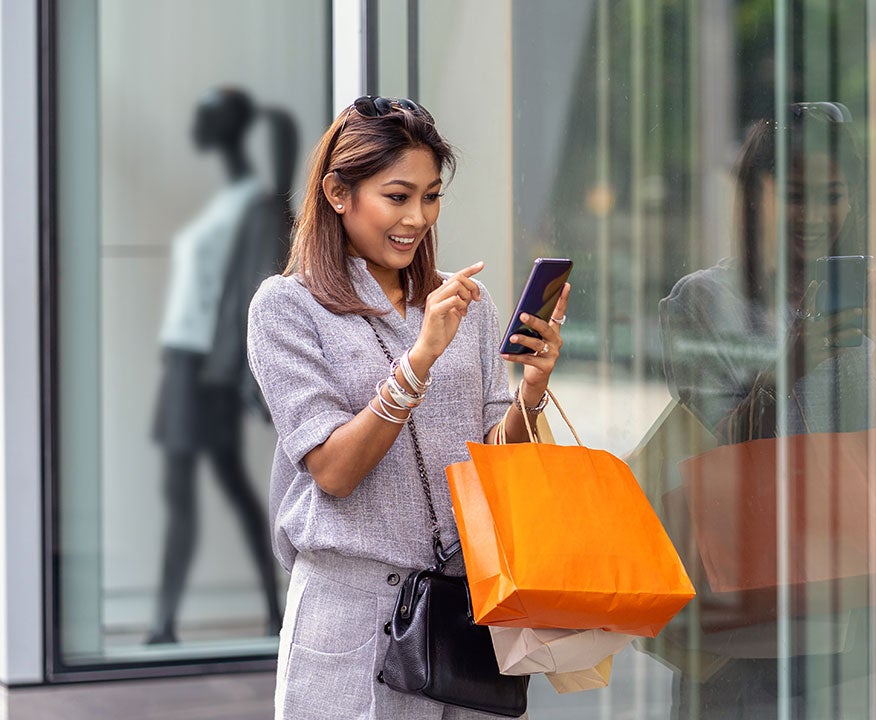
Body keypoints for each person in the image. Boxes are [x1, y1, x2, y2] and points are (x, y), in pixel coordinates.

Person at [247, 95, 570, 719]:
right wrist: (419, 359)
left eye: (431, 196)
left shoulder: (466, 305)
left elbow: (494, 463)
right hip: (352, 622)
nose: (417, 217)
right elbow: (334, 471)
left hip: (465, 614)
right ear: (338, 193)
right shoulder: (287, 307)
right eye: (397, 196)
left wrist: (531, 392)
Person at [654, 102, 876, 719]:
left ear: (854, 199)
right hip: (746, 598)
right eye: (792, 195)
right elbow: (717, 449)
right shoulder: (703, 301)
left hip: (860, 593)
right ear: (756, 197)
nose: (812, 215)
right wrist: (794, 361)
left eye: (832, 195)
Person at [148, 87, 294, 644]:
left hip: (204, 367)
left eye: (206, 116)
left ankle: (167, 623)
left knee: (197, 487)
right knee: (209, 485)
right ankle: (265, 611)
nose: (196, 124)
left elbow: (247, 291)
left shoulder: (254, 204)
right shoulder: (229, 200)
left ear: (229, 127)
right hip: (183, 360)